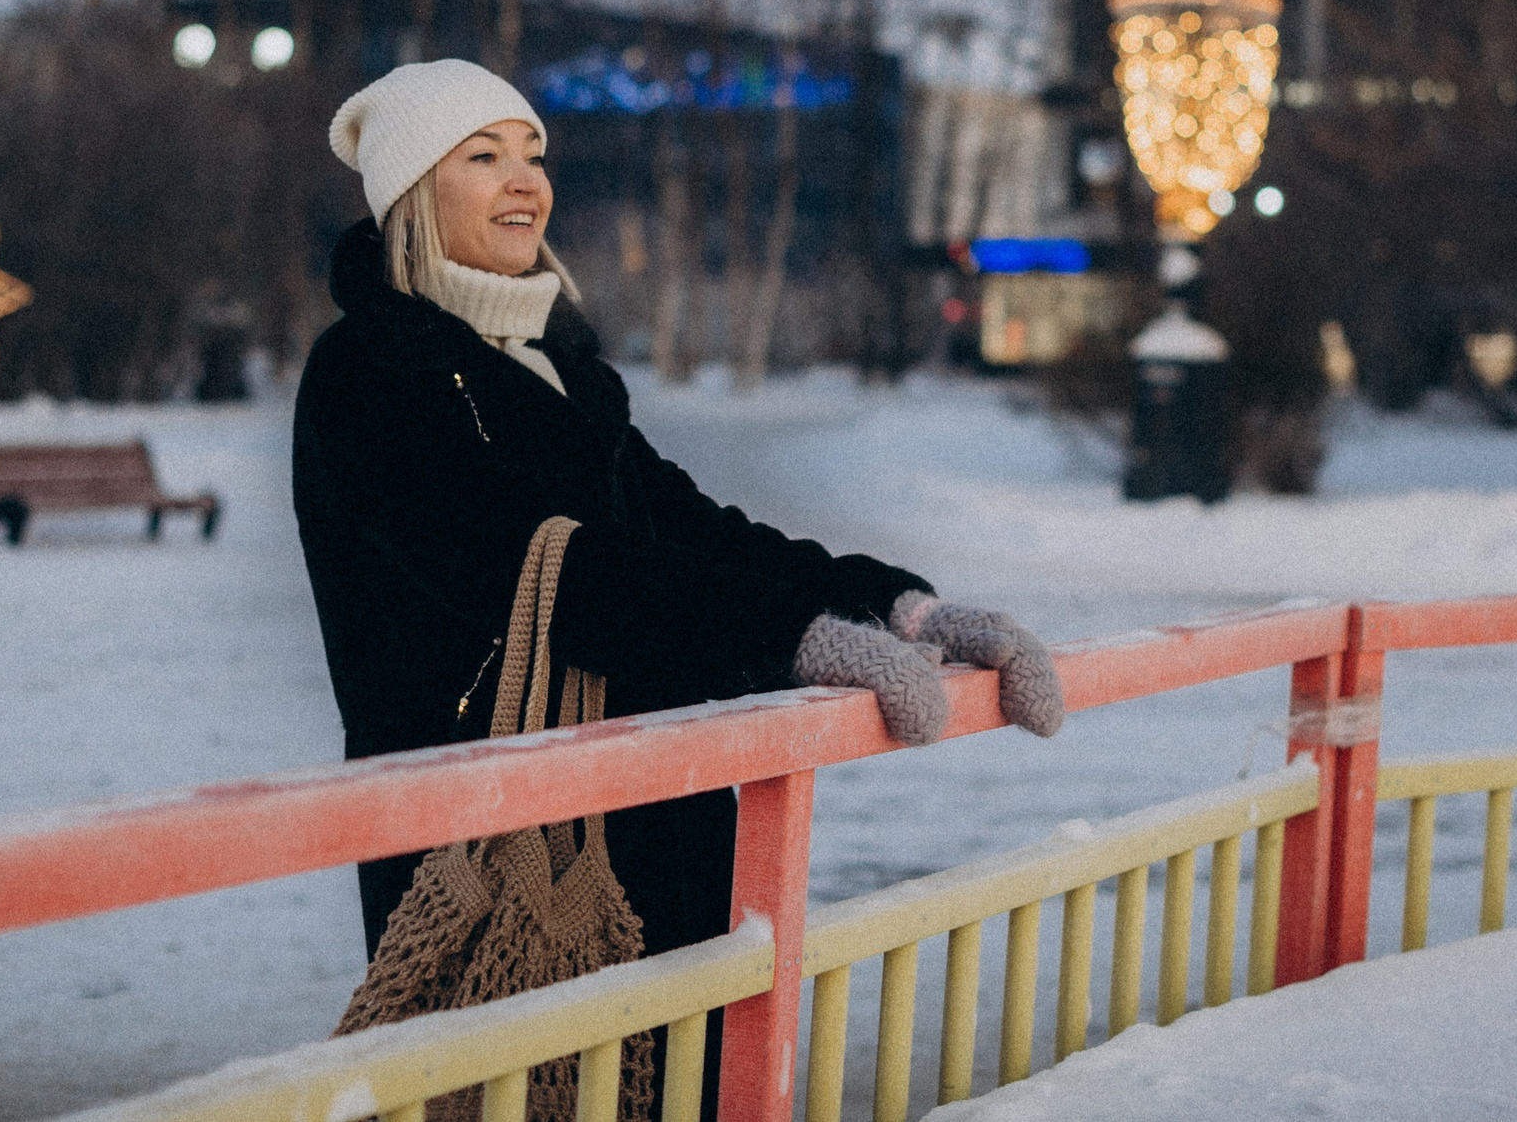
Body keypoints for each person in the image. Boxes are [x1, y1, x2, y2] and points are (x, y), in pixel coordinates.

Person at [295, 58, 1065, 979]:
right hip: (487, 829)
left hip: (645, 810)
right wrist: (787, 635)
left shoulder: (556, 364)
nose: (523, 181)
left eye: (533, 154)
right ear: (413, 192)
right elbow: (549, 573)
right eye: (483, 156)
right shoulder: (371, 373)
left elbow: (691, 525)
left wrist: (896, 605)